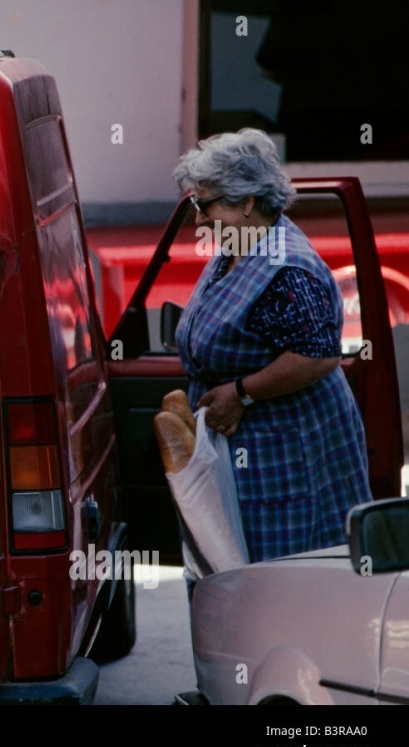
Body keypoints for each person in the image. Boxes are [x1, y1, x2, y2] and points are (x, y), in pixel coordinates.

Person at [172, 128, 371, 563]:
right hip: (249, 448)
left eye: (206, 206)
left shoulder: (288, 269)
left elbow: (317, 355)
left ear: (246, 202)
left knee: (280, 572)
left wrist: (242, 392)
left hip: (287, 451)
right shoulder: (239, 245)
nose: (199, 219)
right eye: (194, 205)